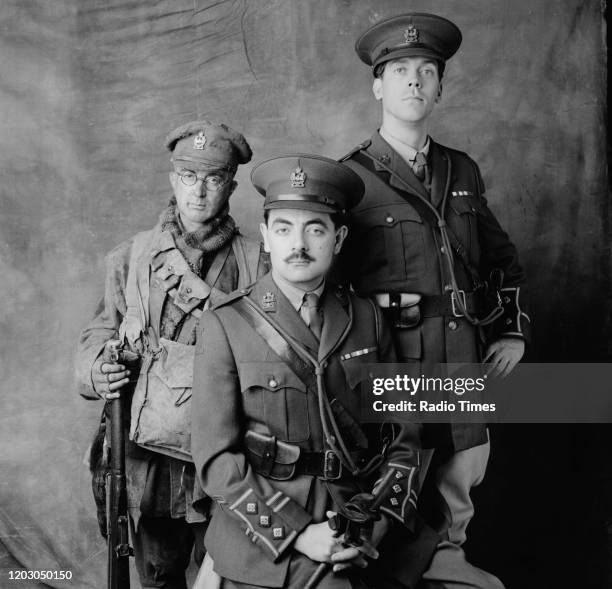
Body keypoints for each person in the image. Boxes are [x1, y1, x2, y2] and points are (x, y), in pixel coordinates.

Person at [336, 13, 531, 589]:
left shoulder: (461, 169)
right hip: (393, 363)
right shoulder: (351, 177)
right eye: (400, 70)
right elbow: (331, 289)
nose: (415, 81)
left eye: (427, 71)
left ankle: (446, 565)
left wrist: (513, 330)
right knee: (390, 489)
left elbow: (502, 260)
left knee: (459, 484)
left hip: (463, 359)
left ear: (441, 86)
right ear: (378, 85)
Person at [190, 154, 439, 588]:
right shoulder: (226, 324)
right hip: (266, 540)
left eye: (315, 229)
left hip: (356, 524)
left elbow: (406, 436)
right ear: (266, 236)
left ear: (338, 239)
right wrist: (299, 534)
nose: (298, 244)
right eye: (284, 228)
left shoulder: (367, 318)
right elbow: (216, 460)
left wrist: (372, 528)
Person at [76, 120, 267, 589]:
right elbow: (98, 333)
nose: (198, 191)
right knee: (159, 576)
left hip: (227, 455)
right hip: (150, 462)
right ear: (171, 179)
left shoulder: (257, 261)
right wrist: (96, 369)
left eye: (213, 178)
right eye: (187, 176)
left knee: (233, 575)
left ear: (231, 185)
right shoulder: (131, 258)